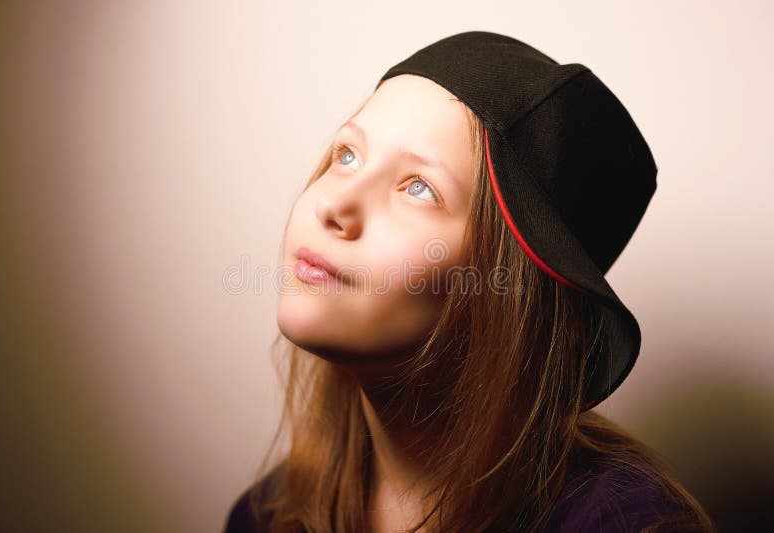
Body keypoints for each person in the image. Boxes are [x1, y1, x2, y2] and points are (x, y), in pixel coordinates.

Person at [225, 31, 717, 532]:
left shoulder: (626, 525)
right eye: (347, 155)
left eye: (419, 188)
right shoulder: (266, 516)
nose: (333, 206)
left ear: (507, 290)